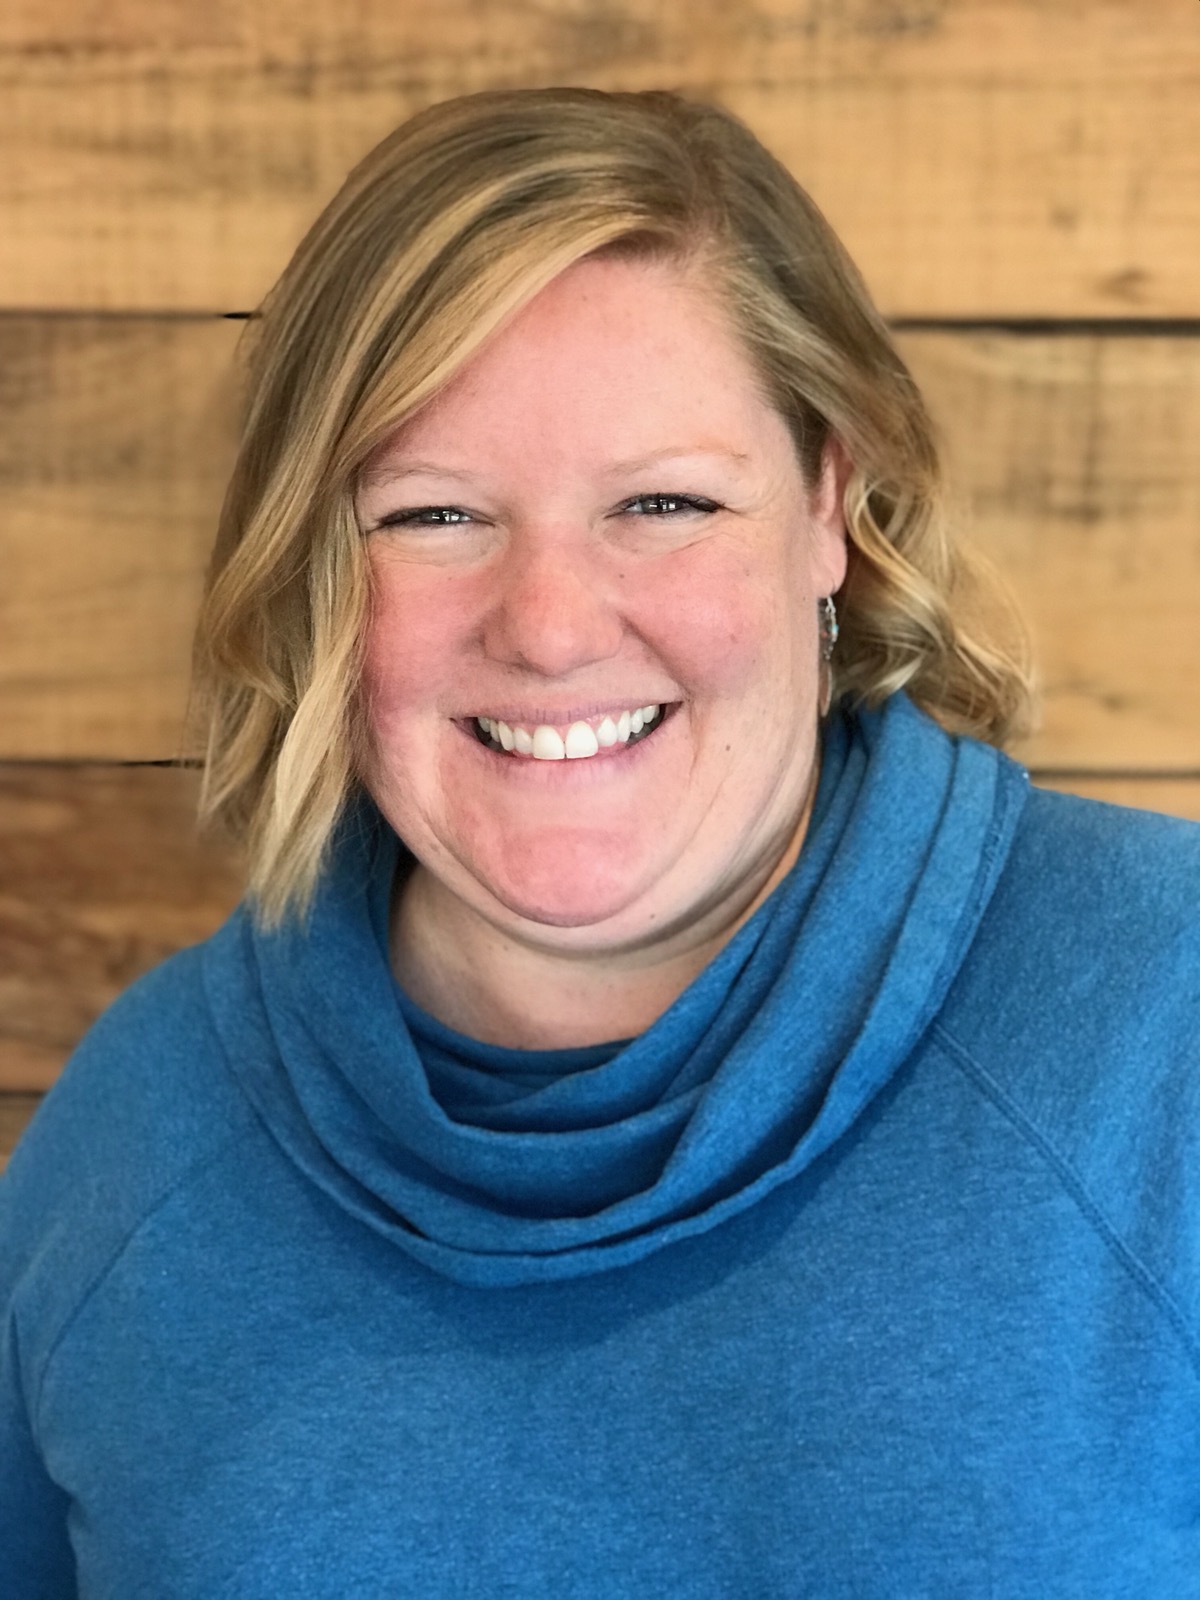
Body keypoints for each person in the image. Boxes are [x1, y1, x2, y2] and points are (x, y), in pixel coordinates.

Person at [2, 86, 1198, 1598]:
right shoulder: (136, 1142)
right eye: (432, 516)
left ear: (829, 503)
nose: (552, 628)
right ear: (310, 561)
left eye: (663, 501)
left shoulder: (1169, 1028)